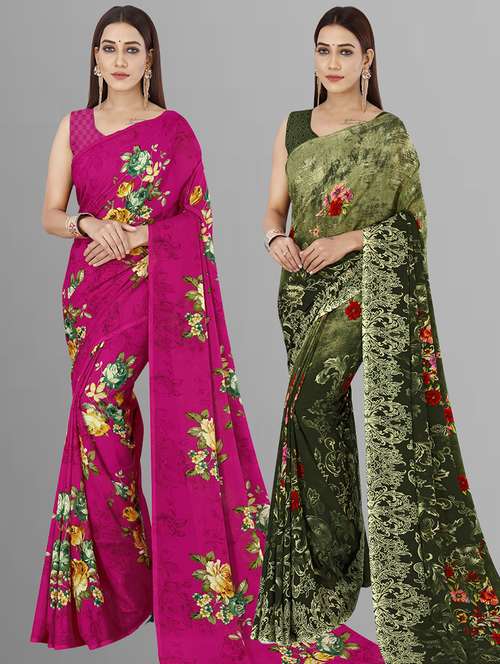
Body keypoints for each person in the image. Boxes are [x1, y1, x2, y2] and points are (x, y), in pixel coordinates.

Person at [29, 5, 384, 663]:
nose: (119, 60)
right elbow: (51, 212)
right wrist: (88, 225)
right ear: (95, 59)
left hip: (151, 286)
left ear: (150, 60)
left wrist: (138, 234)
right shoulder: (74, 127)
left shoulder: (173, 131)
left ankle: (163, 575)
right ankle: (127, 582)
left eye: (131, 49)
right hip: (88, 290)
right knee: (101, 420)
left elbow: (198, 222)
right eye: (108, 48)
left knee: (103, 406)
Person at [250, 6, 500, 664]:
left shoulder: (389, 134)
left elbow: (411, 225)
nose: (332, 62)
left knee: (306, 405)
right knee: (321, 417)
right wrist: (275, 239)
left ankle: (338, 566)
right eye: (322, 50)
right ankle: (339, 565)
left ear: (368, 60)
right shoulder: (293, 127)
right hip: (301, 289)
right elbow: (274, 208)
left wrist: (349, 241)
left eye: (345, 51)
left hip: (364, 286)